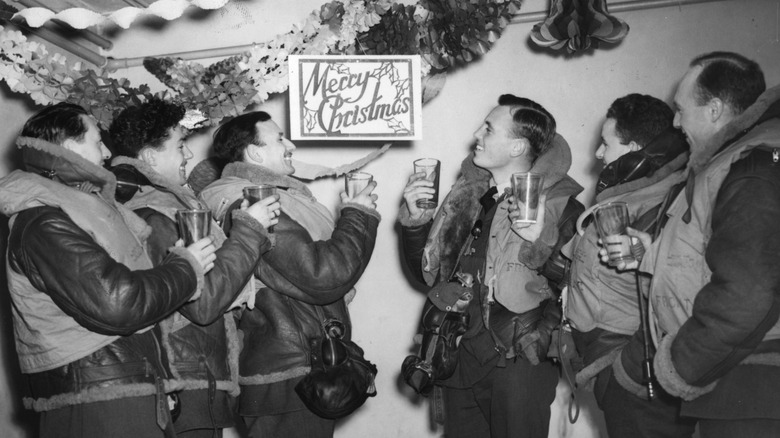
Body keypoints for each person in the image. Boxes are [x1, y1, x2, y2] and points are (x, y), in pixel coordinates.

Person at [0, 102, 216, 438]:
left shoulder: (76, 209)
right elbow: (118, 302)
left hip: (120, 387)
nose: (105, 154)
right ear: (71, 148)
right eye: (98, 142)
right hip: (97, 399)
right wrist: (187, 265)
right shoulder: (43, 220)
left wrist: (160, 378)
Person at [611, 52, 780, 437]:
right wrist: (650, 253)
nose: (674, 122)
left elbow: (750, 290)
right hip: (737, 381)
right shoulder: (731, 162)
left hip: (751, 390)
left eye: (680, 110)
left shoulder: (753, 164)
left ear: (715, 109)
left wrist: (680, 366)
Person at [399, 94, 583, 438]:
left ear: (516, 147)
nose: (476, 135)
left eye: (488, 128)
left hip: (517, 363)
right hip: (456, 357)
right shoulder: (465, 198)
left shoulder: (562, 206)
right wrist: (415, 222)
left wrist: (539, 337)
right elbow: (428, 277)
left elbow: (578, 284)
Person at [198, 110, 381, 438]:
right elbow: (324, 275)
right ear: (255, 153)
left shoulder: (268, 196)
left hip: (289, 371)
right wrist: (358, 214)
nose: (290, 144)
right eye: (279, 138)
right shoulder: (253, 201)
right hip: (290, 374)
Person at [107, 99, 281, 437]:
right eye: (179, 145)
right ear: (150, 157)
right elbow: (203, 305)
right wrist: (248, 229)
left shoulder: (172, 207)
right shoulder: (152, 216)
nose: (188, 155)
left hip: (200, 376)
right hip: (186, 378)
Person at [562, 93, 694, 437]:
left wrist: (624, 366)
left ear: (635, 151)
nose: (599, 154)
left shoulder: (668, 200)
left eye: (606, 144)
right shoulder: (627, 196)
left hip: (633, 366)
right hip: (611, 363)